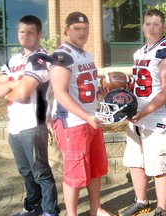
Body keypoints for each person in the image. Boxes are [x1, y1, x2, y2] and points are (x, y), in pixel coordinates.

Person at [0, 15, 60, 216]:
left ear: (39, 34)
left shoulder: (41, 59)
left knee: (41, 173)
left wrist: (11, 87)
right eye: (22, 31)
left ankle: (50, 211)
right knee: (25, 172)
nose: (25, 36)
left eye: (30, 32)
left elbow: (22, 94)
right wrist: (16, 83)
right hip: (14, 125)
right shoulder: (14, 59)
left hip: (33, 125)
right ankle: (34, 206)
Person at [50, 12, 112, 216]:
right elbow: (60, 92)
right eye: (77, 29)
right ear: (67, 30)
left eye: (85, 29)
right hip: (73, 122)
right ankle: (72, 214)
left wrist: (98, 91)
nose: (82, 32)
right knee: (75, 174)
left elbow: (82, 87)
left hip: (90, 119)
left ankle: (96, 209)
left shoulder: (86, 55)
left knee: (95, 168)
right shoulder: (62, 55)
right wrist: (86, 117)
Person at [120, 9, 166, 216]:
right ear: (143, 27)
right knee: (135, 161)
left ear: (163, 27)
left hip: (159, 117)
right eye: (148, 23)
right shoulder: (140, 52)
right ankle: (141, 201)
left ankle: (162, 208)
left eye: (156, 24)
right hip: (138, 116)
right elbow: (138, 84)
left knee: (159, 166)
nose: (152, 27)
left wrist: (143, 112)